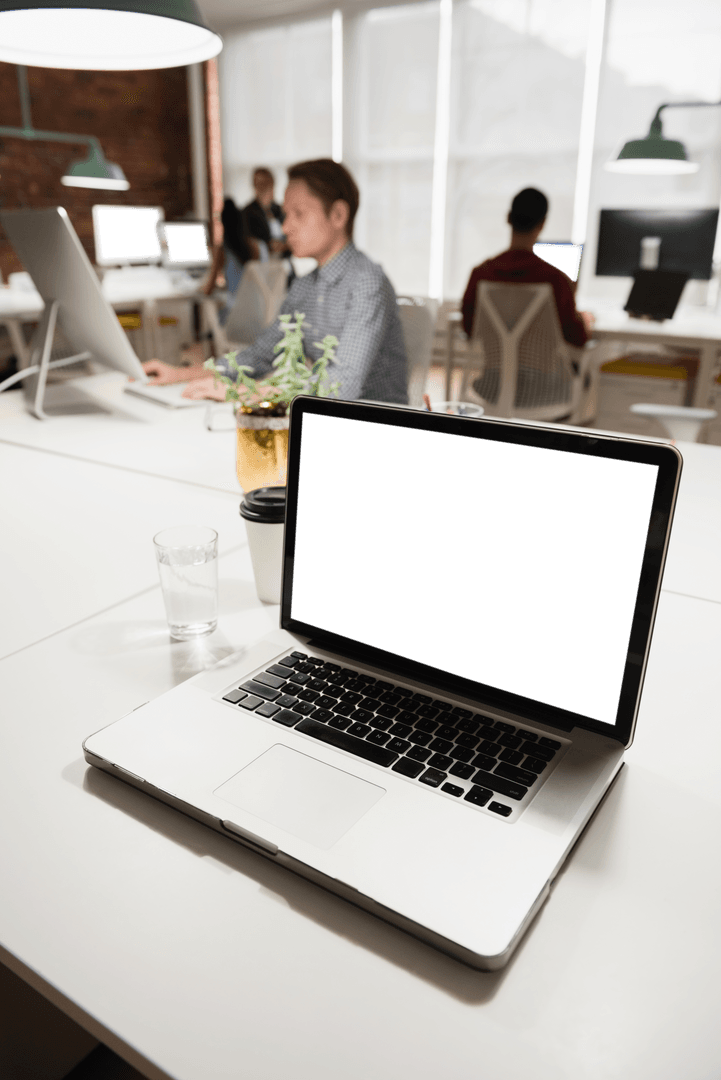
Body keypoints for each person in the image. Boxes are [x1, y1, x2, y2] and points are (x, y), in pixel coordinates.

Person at [144, 158, 408, 404]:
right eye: (286, 214)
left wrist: (245, 391)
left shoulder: (367, 282)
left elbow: (341, 386)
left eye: (299, 214)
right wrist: (181, 374)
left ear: (338, 215)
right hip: (324, 418)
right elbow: (259, 355)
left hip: (373, 425)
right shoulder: (305, 286)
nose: (285, 227)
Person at [461, 187, 594, 346]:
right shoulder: (555, 281)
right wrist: (585, 319)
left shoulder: (480, 275)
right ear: (542, 223)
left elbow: (469, 328)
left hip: (494, 362)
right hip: (544, 363)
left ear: (508, 218)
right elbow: (577, 337)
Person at [243, 167, 288, 257]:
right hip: (262, 261)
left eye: (265, 182)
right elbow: (247, 241)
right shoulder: (247, 212)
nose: (262, 187)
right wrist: (269, 246)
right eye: (258, 183)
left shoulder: (280, 209)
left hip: (285, 258)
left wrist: (285, 245)